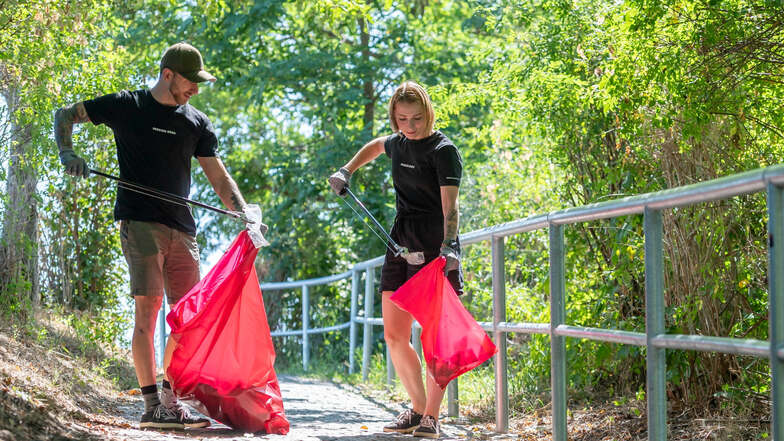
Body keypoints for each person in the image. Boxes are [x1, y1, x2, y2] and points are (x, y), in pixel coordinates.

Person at [53, 42, 260, 430]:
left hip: (182, 229)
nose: (196, 89)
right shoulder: (126, 105)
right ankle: (152, 408)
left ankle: (171, 401)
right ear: (168, 74)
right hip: (140, 223)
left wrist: (245, 213)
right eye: (191, 81)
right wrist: (67, 153)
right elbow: (65, 115)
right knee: (147, 311)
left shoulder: (196, 122)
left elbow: (218, 176)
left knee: (187, 319)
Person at [328, 81, 463, 439]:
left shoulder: (443, 150)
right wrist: (347, 170)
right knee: (394, 334)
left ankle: (433, 417)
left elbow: (451, 207)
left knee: (435, 337)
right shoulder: (397, 143)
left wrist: (450, 246)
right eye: (402, 119)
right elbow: (375, 146)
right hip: (399, 239)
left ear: (428, 114)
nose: (410, 126)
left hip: (436, 242)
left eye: (417, 118)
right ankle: (418, 408)